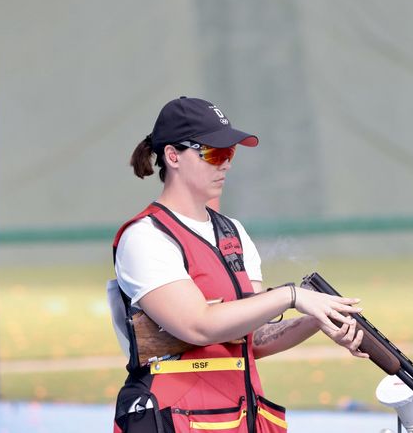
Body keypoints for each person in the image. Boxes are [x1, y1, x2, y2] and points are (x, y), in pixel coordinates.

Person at [110, 97, 368, 433]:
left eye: (229, 154)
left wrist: (318, 318)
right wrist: (291, 296)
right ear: (172, 156)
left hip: (236, 419)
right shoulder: (146, 237)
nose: (225, 164)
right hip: (174, 421)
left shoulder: (234, 232)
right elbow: (198, 325)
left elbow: (253, 338)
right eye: (214, 153)